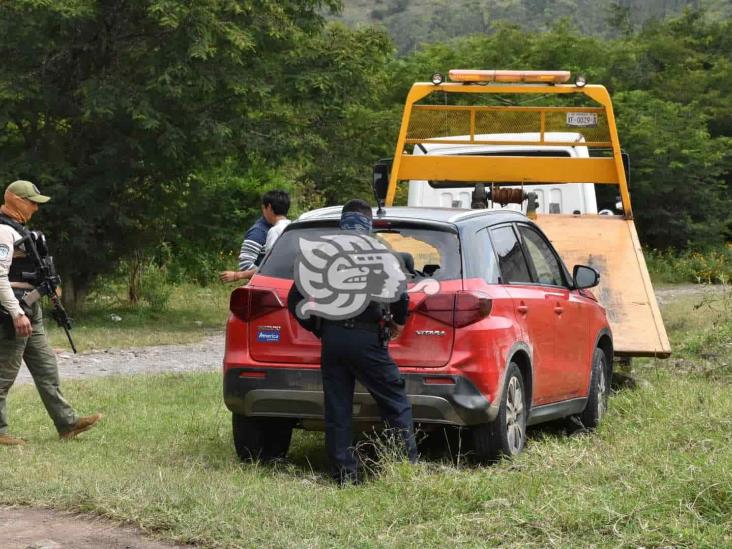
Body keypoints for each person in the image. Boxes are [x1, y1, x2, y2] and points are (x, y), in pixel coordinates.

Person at [288, 199, 417, 484]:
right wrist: (398, 322)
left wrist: (319, 328)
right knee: (395, 402)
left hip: (333, 339)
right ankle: (405, 470)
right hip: (367, 338)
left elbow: (294, 299)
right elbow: (401, 294)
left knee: (337, 408)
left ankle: (345, 476)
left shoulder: (324, 253)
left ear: (342, 221)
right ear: (368, 222)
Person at [0, 180, 102, 445]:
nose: (35, 207)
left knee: (47, 368)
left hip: (30, 307)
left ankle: (67, 423)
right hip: (12, 310)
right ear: (16, 200)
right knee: (4, 373)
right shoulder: (3, 231)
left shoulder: (19, 229)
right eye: (32, 202)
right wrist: (15, 313)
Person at [219, 190, 291, 283]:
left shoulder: (276, 230)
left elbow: (271, 269)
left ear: (268, 207)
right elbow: (246, 264)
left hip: (274, 286)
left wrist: (238, 275)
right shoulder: (259, 232)